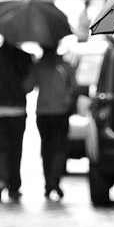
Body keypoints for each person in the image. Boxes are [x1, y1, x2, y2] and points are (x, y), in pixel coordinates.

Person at [0, 40, 35, 201]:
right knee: (15, 148)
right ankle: (13, 185)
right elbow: (29, 86)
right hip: (17, 110)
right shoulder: (25, 57)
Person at [33, 45, 77, 199]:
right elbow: (74, 87)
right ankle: (55, 180)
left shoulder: (39, 66)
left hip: (43, 113)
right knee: (59, 148)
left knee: (46, 148)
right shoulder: (66, 66)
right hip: (61, 112)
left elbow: (28, 85)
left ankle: (48, 183)